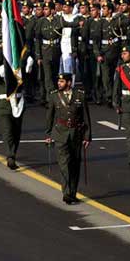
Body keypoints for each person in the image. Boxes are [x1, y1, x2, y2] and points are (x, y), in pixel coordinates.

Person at [45, 73, 91, 205]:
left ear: (69, 83)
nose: (59, 84)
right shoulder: (54, 96)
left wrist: (87, 136)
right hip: (60, 133)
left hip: (76, 133)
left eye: (62, 81)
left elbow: (85, 117)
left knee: (75, 164)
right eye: (58, 81)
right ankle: (66, 193)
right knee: (64, 164)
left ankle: (73, 193)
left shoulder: (80, 95)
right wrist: (48, 135)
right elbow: (49, 116)